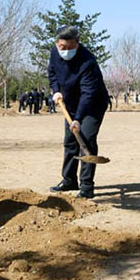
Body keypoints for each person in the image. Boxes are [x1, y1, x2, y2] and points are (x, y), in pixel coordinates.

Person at [47, 25, 109, 199]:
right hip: (70, 103)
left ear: (78, 44)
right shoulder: (54, 52)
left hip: (93, 104)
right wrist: (56, 90)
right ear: (57, 44)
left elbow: (88, 93)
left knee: (86, 139)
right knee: (70, 141)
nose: (66, 51)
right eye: (62, 47)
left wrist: (79, 119)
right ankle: (69, 181)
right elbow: (52, 72)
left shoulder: (87, 62)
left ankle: (87, 187)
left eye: (70, 47)